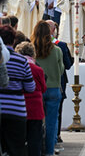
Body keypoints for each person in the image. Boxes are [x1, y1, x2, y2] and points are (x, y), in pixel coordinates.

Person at [0, 25, 36, 156]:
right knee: (17, 149)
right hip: (16, 109)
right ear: (14, 40)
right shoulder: (21, 61)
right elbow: (30, 87)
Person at [31, 20, 64, 156]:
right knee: (51, 123)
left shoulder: (32, 49)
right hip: (53, 88)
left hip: (37, 89)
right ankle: (49, 151)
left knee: (36, 123)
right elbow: (61, 70)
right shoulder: (56, 50)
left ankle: (37, 150)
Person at [15, 41, 46, 156]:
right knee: (35, 140)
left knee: (19, 140)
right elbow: (43, 88)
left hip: (20, 107)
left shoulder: (17, 67)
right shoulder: (38, 70)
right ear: (33, 54)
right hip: (36, 109)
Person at [46, 20, 73, 145]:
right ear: (53, 30)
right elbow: (67, 65)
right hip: (58, 81)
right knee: (57, 109)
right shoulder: (60, 45)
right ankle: (56, 135)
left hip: (42, 81)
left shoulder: (35, 43)